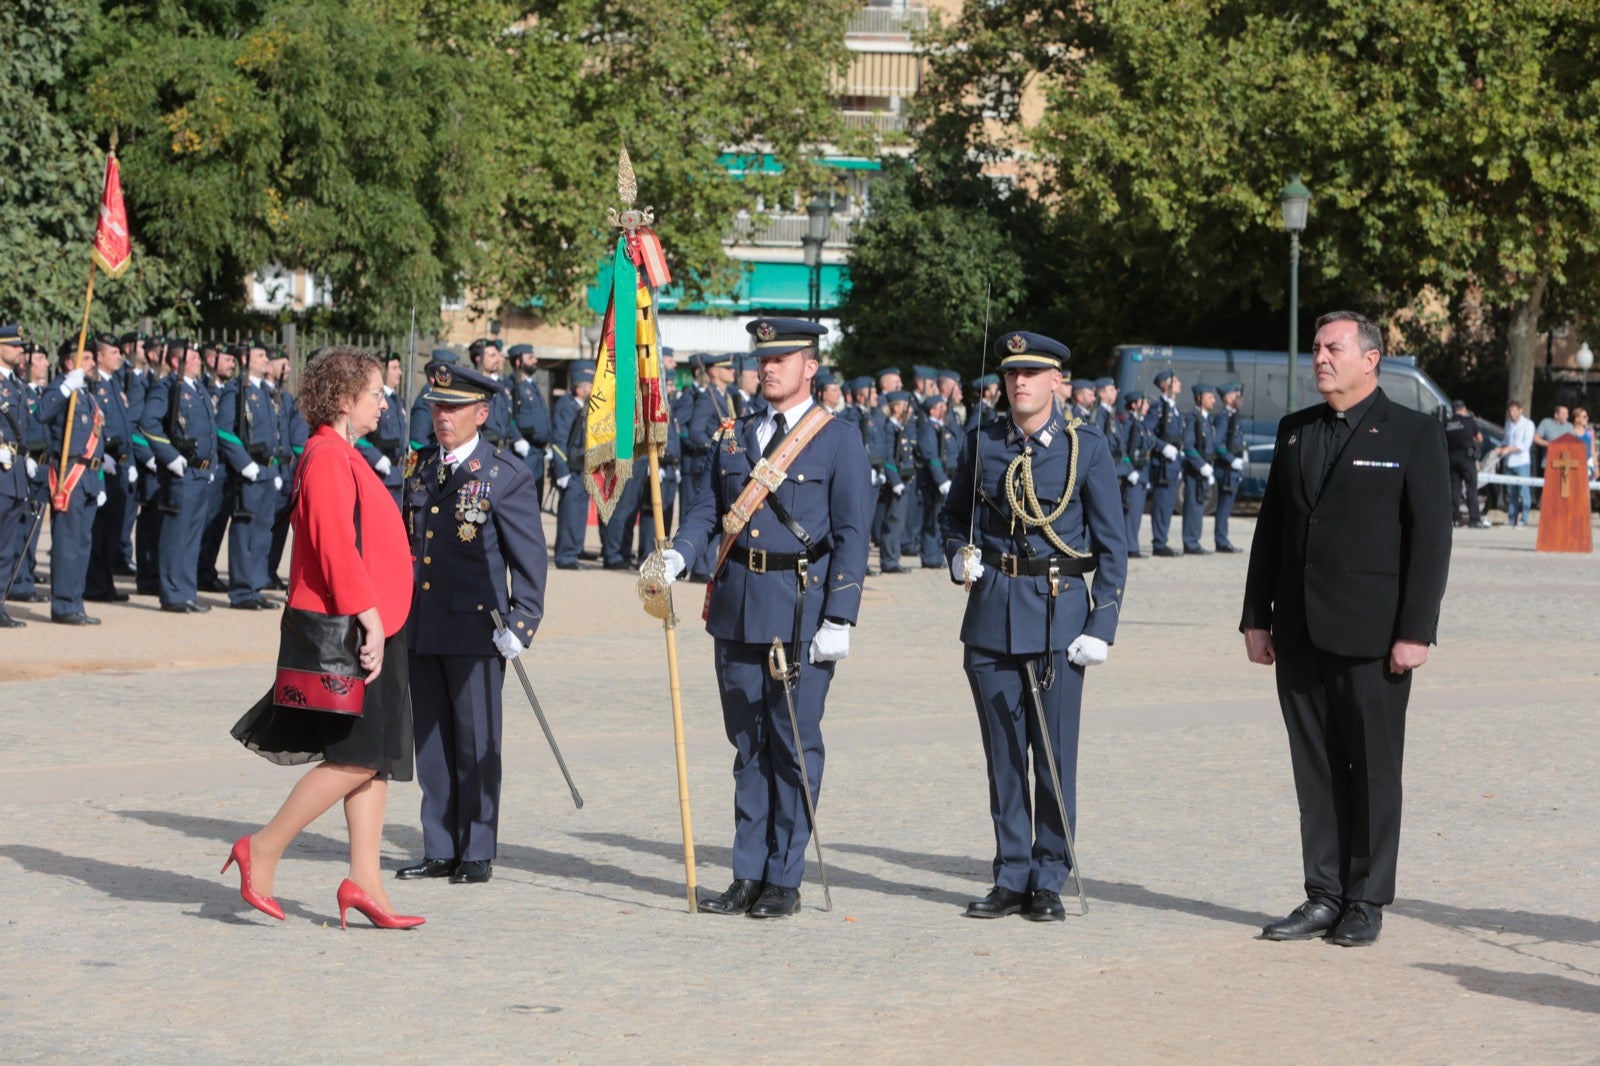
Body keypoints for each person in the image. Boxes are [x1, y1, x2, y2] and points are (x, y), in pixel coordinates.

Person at [1241, 311, 1451, 947]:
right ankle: (1323, 893)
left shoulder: (1413, 432)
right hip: (1300, 631)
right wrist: (1256, 617)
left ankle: (1366, 898)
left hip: (1374, 637)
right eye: (1316, 349)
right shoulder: (1295, 432)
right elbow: (1271, 531)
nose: (1321, 358)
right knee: (1315, 769)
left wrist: (1416, 631)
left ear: (1371, 358)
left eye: (1333, 348)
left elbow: (1431, 541)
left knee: (1374, 771)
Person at [656, 317, 871, 919]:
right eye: (763, 358)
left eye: (783, 358)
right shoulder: (733, 436)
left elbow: (854, 535)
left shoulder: (837, 438)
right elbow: (707, 508)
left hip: (800, 610)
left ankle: (784, 876)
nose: (767, 367)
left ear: (810, 367)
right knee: (747, 746)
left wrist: (841, 616)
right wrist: (681, 552)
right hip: (737, 606)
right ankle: (746, 872)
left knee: (793, 744)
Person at [227, 346, 423, 929]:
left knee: (377, 758)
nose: (383, 404)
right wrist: (368, 617)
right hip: (355, 626)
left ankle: (365, 882)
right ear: (343, 400)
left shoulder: (345, 452)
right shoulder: (327, 455)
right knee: (354, 757)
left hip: (379, 621)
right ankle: (262, 847)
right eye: (374, 394)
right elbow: (336, 545)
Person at [939, 330, 1128, 921]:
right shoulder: (983, 443)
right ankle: (1011, 872)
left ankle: (1049, 875)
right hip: (992, 613)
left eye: (1033, 373)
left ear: (1057, 382)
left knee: (1052, 756)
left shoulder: (1084, 448)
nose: (1019, 382)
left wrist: (1103, 622)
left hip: (1056, 615)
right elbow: (951, 518)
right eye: (1012, 373)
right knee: (1002, 758)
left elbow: (1114, 546)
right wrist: (956, 555)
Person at [397, 362, 548, 886]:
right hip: (423, 623)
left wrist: (523, 620)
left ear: (480, 414)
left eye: (455, 408)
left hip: (476, 626)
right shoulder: (418, 469)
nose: (443, 417)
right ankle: (440, 844)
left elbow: (529, 556)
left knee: (476, 738)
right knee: (433, 741)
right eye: (438, 406)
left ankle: (477, 847)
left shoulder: (503, 475)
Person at [139, 339, 219, 613]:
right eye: (194, 357)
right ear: (176, 362)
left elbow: (210, 431)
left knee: (192, 535)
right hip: (182, 472)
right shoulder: (168, 387)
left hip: (200, 471)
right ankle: (173, 593)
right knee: (177, 533)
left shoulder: (198, 390)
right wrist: (170, 457)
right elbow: (148, 423)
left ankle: (186, 591)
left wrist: (213, 465)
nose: (199, 361)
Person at [37, 341, 108, 625]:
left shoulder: (86, 394)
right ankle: (64, 605)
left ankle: (75, 601)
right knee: (67, 543)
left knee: (82, 543)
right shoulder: (61, 388)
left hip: (90, 476)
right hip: (70, 476)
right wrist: (66, 387)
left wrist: (100, 481)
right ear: (69, 362)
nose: (92, 363)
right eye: (86, 357)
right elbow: (41, 413)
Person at [216, 341, 284, 609]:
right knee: (245, 532)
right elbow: (223, 430)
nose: (265, 360)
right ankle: (242, 590)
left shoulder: (264, 393)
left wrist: (275, 467)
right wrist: (244, 463)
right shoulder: (236, 391)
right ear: (245, 360)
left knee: (263, 532)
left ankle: (255, 586)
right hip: (250, 470)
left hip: (267, 470)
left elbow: (274, 435)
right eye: (260, 355)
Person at [84, 333, 138, 604]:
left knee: (112, 531)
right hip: (103, 463)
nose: (119, 356)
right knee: (100, 529)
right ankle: (94, 584)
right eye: (113, 352)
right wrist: (102, 455)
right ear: (100, 356)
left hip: (120, 464)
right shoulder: (94, 384)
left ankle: (104, 582)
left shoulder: (114, 382)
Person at [0, 325, 35, 627]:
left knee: (6, 548)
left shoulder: (19, 385)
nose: (20, 350)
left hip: (15, 473)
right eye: (13, 346)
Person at [548, 360, 594, 569]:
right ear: (579, 387)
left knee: (579, 511)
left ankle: (575, 549)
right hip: (570, 468)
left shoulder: (582, 407)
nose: (593, 389)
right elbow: (558, 441)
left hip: (582, 467)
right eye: (590, 384)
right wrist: (562, 470)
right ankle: (566, 556)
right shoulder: (566, 407)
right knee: (570, 512)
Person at [1144, 369, 1184, 556]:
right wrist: (1162, 447)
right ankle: (1159, 543)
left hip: (1173, 464)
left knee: (1168, 505)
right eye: (1174, 380)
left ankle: (1162, 539)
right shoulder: (1158, 407)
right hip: (1162, 464)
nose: (1178, 383)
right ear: (1165, 385)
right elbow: (1147, 432)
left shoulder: (1174, 408)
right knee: (1161, 504)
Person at [1179, 383, 1217, 555]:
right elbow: (1188, 446)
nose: (1214, 401)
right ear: (1200, 398)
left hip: (1205, 466)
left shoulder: (1206, 419)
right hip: (1196, 468)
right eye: (1210, 397)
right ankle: (1190, 541)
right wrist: (1201, 465)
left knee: (1199, 504)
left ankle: (1194, 540)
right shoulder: (1193, 418)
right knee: (1193, 504)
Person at [1210, 382, 1246, 552]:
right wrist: (1231, 460)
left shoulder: (1233, 416)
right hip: (1225, 469)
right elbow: (1217, 444)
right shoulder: (1223, 418)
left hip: (1232, 469)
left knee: (1227, 506)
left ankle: (1223, 538)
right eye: (1236, 393)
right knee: (1224, 507)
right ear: (1226, 398)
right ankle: (1221, 541)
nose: (1239, 396)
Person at [1444, 399, 1490, 528]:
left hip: (1451, 459)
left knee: (1454, 489)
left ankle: (1455, 519)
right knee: (1471, 488)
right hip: (1466, 459)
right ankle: (1474, 519)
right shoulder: (1469, 421)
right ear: (1463, 409)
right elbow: (1480, 438)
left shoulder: (1447, 423)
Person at [1118, 390, 1151, 556]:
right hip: (1132, 475)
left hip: (1141, 473)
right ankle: (1129, 547)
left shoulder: (1140, 423)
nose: (1147, 407)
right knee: (1131, 512)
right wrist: (1129, 471)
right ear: (1134, 405)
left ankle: (1132, 544)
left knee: (1136, 513)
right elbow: (1122, 450)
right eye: (1143, 403)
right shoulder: (1128, 423)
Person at [1494, 400, 1535, 527]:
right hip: (1510, 462)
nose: (1512, 413)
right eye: (1510, 411)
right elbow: (1506, 440)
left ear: (1520, 410)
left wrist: (1509, 449)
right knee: (1512, 492)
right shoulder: (1508, 424)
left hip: (1522, 462)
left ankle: (1524, 519)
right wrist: (1500, 448)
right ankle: (1512, 518)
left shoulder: (1528, 424)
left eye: (1514, 411)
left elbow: (1525, 445)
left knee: (1524, 491)